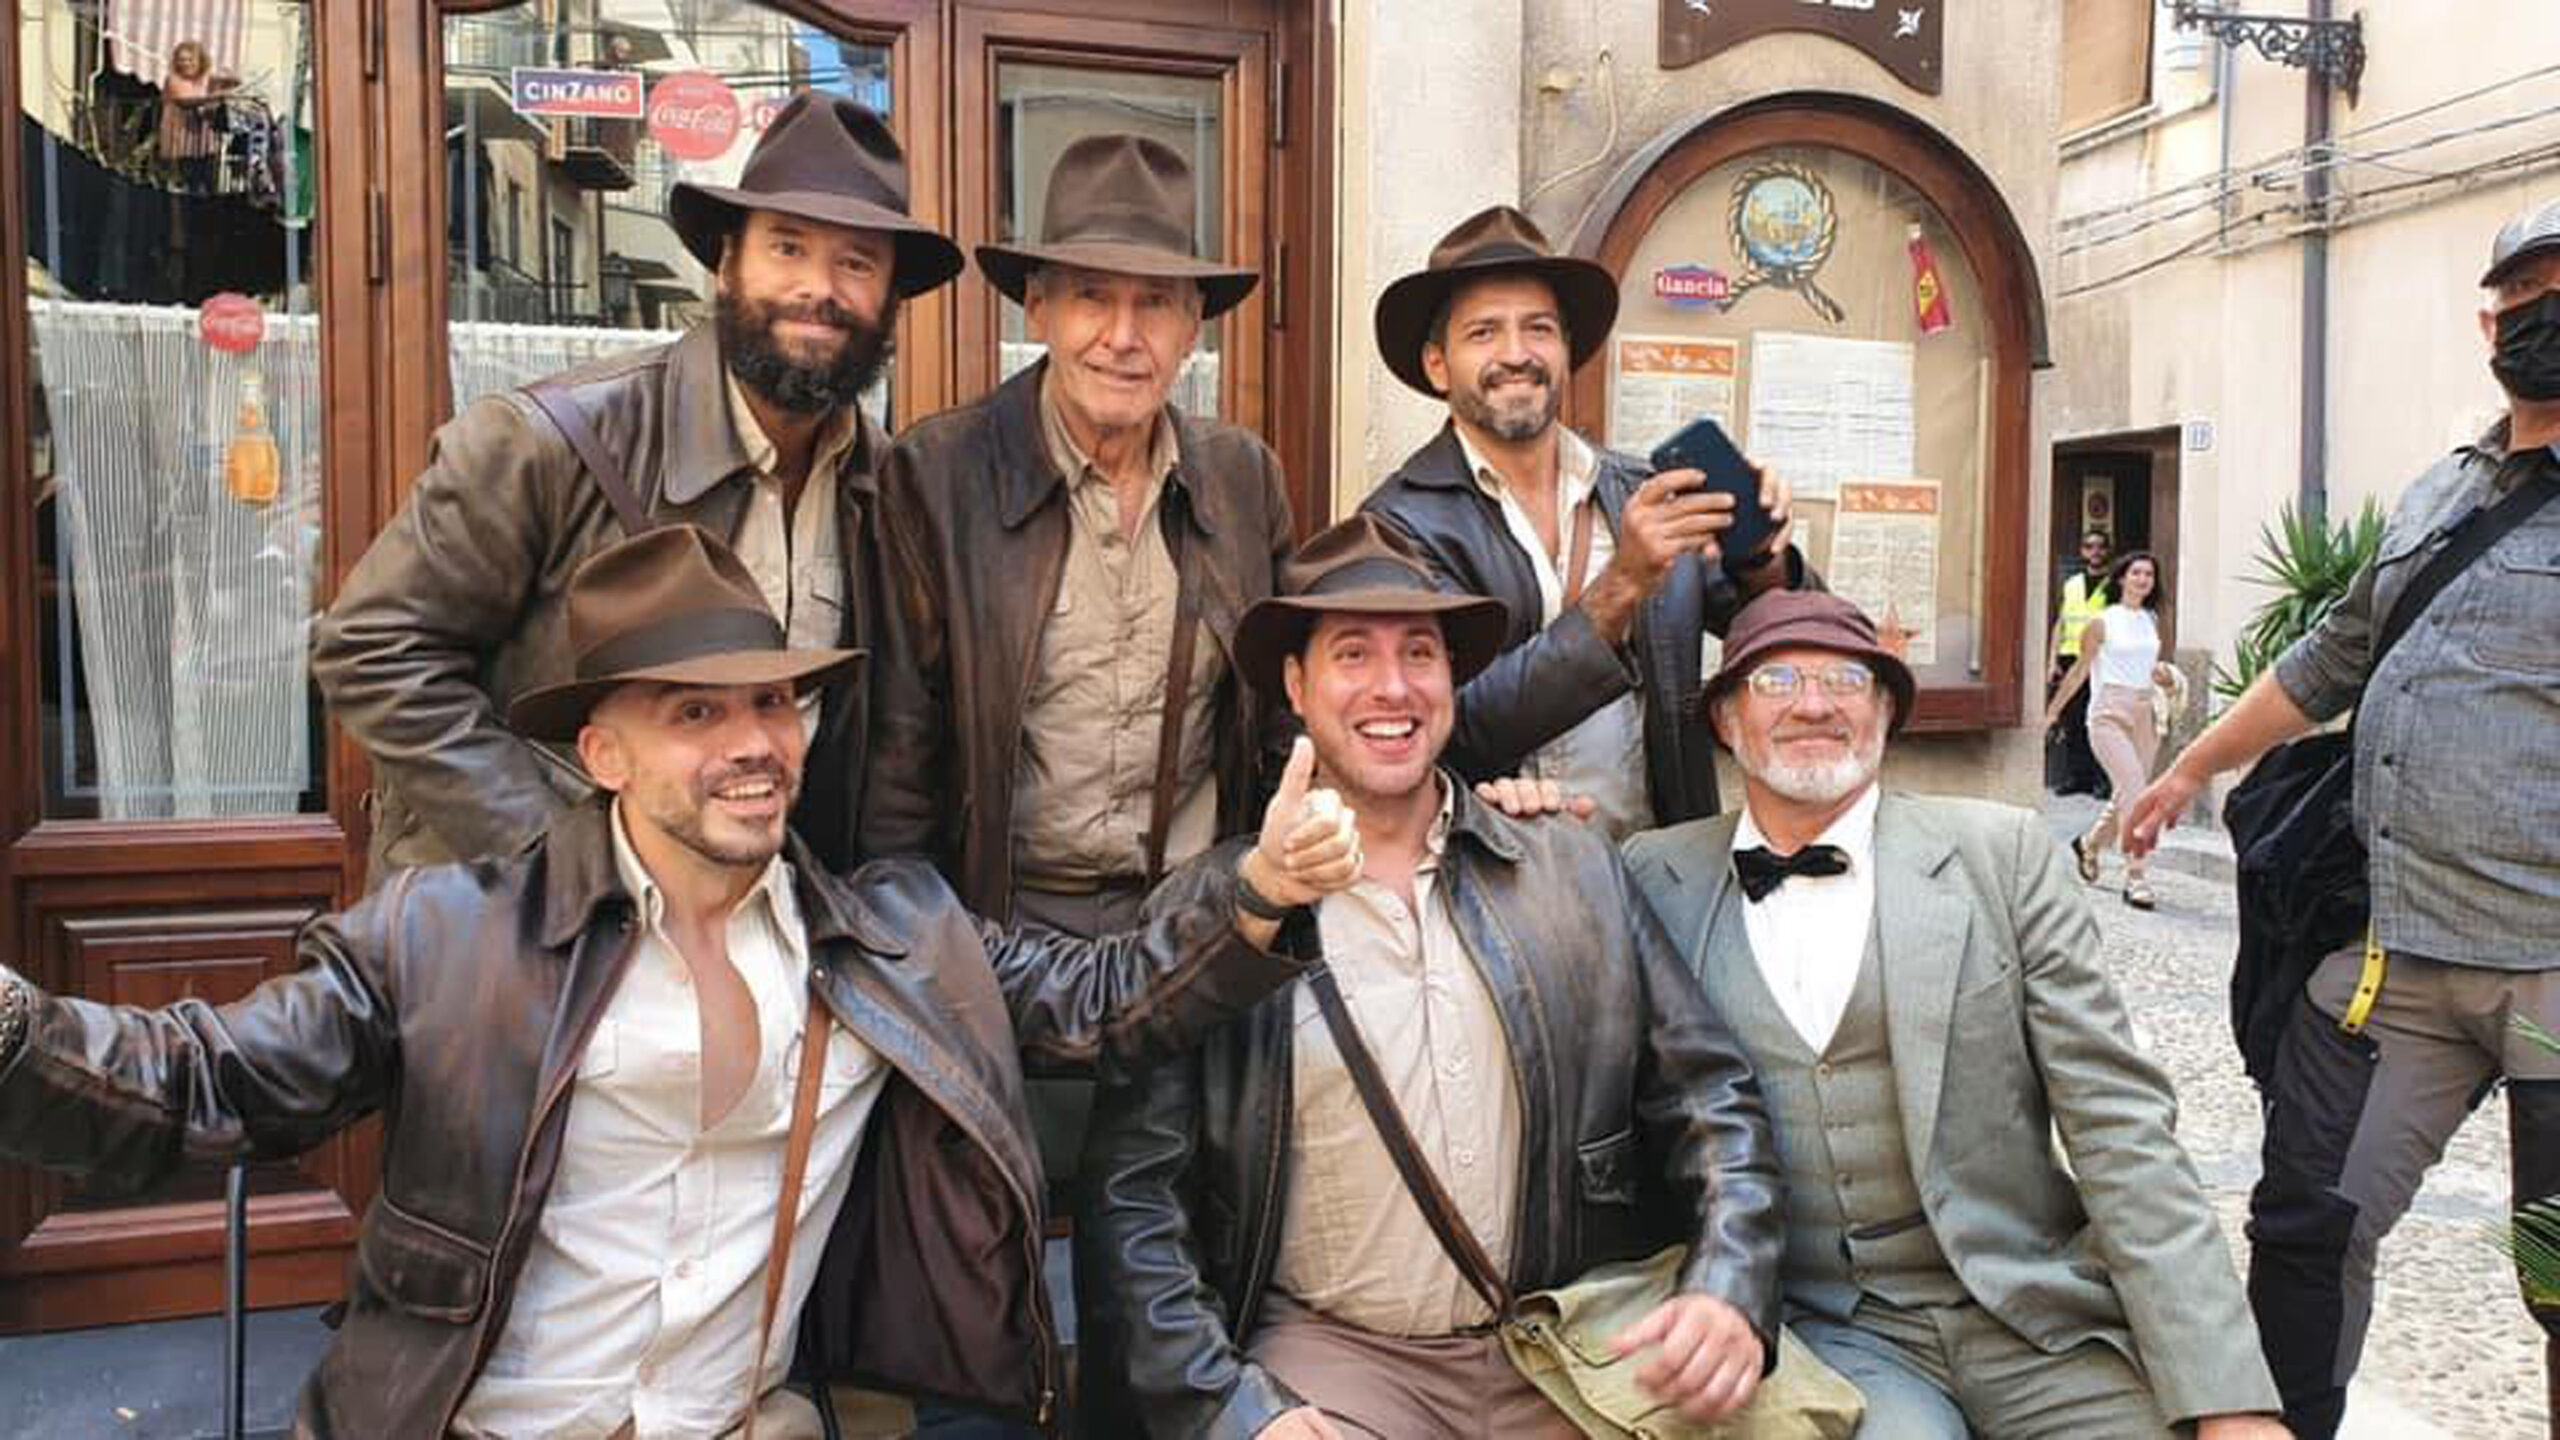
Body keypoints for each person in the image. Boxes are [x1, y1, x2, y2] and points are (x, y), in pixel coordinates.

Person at [0, 525, 1365, 1437]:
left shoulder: (894, 938)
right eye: (696, 712)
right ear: (602, 753)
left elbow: (1102, 999)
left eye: (775, 702)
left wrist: (1262, 897)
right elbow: (195, 1083)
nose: (756, 743)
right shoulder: (447, 939)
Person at [1079, 515, 1784, 1440]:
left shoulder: (1569, 868)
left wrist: (1730, 1288)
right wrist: (1233, 1411)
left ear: (1452, 679)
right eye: (1352, 656)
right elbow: (1134, 1200)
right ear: (1296, 684)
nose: (1392, 688)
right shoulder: (1213, 910)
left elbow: (1712, 1101)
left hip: (1562, 1349)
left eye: (1420, 652)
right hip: (1338, 1366)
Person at [1622, 590, 2287, 1439]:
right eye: (1776, 680)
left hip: (2030, 1314)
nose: (1815, 704)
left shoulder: (2001, 858)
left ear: (1887, 710)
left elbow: (2122, 1130)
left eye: (1848, 680)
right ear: (1725, 720)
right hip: (1830, 1329)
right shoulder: (1652, 874)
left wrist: (2229, 1401)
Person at [2126, 198, 2560, 1440]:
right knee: (2306, 1230)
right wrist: (2183, 770)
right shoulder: (2448, 484)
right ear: (2491, 321)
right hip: (2397, 962)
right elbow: (2331, 655)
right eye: (2528, 295)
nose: (2545, 318)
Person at [314, 94, 962, 879]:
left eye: (855, 262)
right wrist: (567, 862)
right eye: (787, 249)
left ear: (890, 298)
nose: (817, 289)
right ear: (728, 263)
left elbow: (876, 739)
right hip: (523, 938)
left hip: (743, 927)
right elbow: (370, 649)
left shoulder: (885, 487)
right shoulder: (547, 442)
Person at [1357, 206, 1810, 841]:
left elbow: (1795, 644)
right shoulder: (1398, 524)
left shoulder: (1642, 492)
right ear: (1438, 365)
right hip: (1494, 880)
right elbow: (1452, 727)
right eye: (1484, 333)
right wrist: (1621, 588)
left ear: (1568, 351)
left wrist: (1763, 560)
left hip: (1659, 869)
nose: (1516, 354)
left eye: (1538, 329)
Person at [2044, 550, 2174, 909]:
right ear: (2121, 578)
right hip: (2108, 714)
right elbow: (2080, 671)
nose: (2143, 579)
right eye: (2136, 573)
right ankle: (2136, 876)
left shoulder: (2151, 619)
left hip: (2145, 711)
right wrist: (2052, 713)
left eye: (2149, 574)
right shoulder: (2102, 621)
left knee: (2127, 793)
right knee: (2135, 793)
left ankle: (2089, 844)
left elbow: (2146, 666)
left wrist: (2162, 674)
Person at [2047, 528, 2114, 796]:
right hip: (2070, 658)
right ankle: (2077, 778)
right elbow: (2061, 623)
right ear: (2082, 551)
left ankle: (2102, 780)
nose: (2094, 551)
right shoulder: (2072, 584)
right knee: (2073, 722)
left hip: (2099, 659)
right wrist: (2051, 661)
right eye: (2089, 546)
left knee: (2097, 720)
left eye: (2100, 546)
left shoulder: (2114, 586)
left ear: (2107, 550)